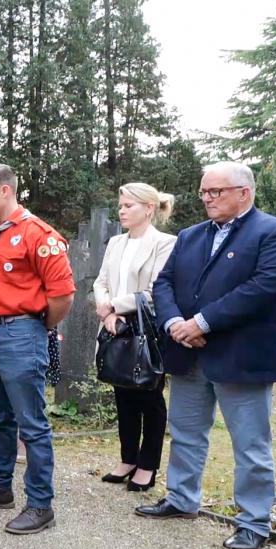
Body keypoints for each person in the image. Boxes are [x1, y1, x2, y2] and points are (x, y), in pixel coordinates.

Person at [136, 161, 276, 549]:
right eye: (203, 192)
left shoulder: (271, 231)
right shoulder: (190, 235)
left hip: (239, 357)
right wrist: (173, 324)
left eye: (215, 192)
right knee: (185, 433)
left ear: (244, 193)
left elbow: (264, 286)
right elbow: (163, 283)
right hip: (187, 353)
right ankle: (182, 499)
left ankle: (253, 522)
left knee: (250, 445)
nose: (207, 199)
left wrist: (202, 322)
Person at [0, 164, 74, 535]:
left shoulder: (40, 235)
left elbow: (62, 295)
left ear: (5, 191)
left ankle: (40, 505)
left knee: (31, 422)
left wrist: (38, 327)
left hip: (20, 332)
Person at [92, 183, 176, 491]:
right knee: (122, 393)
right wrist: (106, 309)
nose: (122, 210)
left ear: (149, 208)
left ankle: (148, 465)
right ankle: (128, 459)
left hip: (146, 330)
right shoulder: (116, 242)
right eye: (120, 205)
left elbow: (157, 290)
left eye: (129, 205)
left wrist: (116, 305)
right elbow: (102, 281)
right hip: (114, 327)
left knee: (149, 397)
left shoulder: (165, 243)